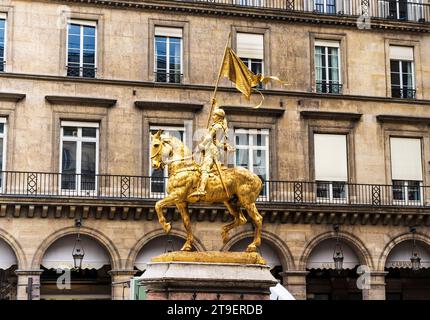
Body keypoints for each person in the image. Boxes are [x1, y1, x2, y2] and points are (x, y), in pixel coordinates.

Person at [190, 107, 228, 197]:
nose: (212, 117)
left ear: (219, 117)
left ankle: (202, 189)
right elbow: (217, 143)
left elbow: (209, 138)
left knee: (205, 168)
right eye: (213, 114)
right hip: (210, 148)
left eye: (215, 115)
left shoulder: (217, 126)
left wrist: (201, 146)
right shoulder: (218, 126)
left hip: (211, 150)